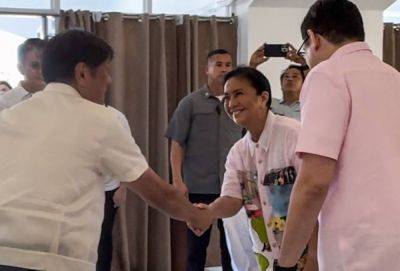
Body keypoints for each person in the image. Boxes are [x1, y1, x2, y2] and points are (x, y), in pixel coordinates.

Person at [0, 29, 212, 271]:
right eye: (106, 72)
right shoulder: (100, 120)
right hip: (53, 258)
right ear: (82, 73)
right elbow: (159, 193)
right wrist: (196, 216)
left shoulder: (9, 117)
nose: (109, 81)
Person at [279, 1, 400, 270]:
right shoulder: (393, 77)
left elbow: (314, 182)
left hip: (359, 246)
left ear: (313, 38)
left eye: (304, 50)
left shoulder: (327, 74)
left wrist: (285, 262)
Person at [189, 67, 318, 271]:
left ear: (263, 97)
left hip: (304, 255)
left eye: (239, 94)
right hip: (266, 257)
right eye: (227, 97)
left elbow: (314, 198)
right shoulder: (238, 152)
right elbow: (232, 200)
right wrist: (209, 211)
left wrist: (313, 257)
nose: (231, 104)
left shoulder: (293, 135)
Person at [166, 49, 242, 271]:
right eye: (218, 64)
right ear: (207, 69)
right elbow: (177, 143)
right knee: (196, 249)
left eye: (228, 64)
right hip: (199, 185)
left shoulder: (237, 103)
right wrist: (177, 181)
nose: (224, 69)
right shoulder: (190, 103)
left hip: (232, 188)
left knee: (232, 247)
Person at [249, 45, 308, 121]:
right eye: (286, 76)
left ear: (304, 83)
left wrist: (303, 62)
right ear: (281, 84)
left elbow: (315, 82)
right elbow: (251, 93)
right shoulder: (268, 104)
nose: (290, 79)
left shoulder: (308, 106)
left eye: (295, 76)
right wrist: (253, 65)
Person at [0, 38, 46, 110]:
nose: (41, 71)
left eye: (46, 65)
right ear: (20, 68)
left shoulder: (58, 96)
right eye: (35, 65)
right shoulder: (5, 103)